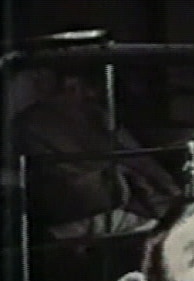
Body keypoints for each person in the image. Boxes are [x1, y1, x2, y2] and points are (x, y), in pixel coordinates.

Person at [13, 68, 182, 239]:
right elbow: (55, 192)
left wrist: (173, 194)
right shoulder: (30, 126)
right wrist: (117, 181)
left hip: (140, 205)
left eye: (89, 87)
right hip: (89, 215)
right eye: (75, 88)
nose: (90, 95)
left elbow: (139, 158)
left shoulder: (98, 116)